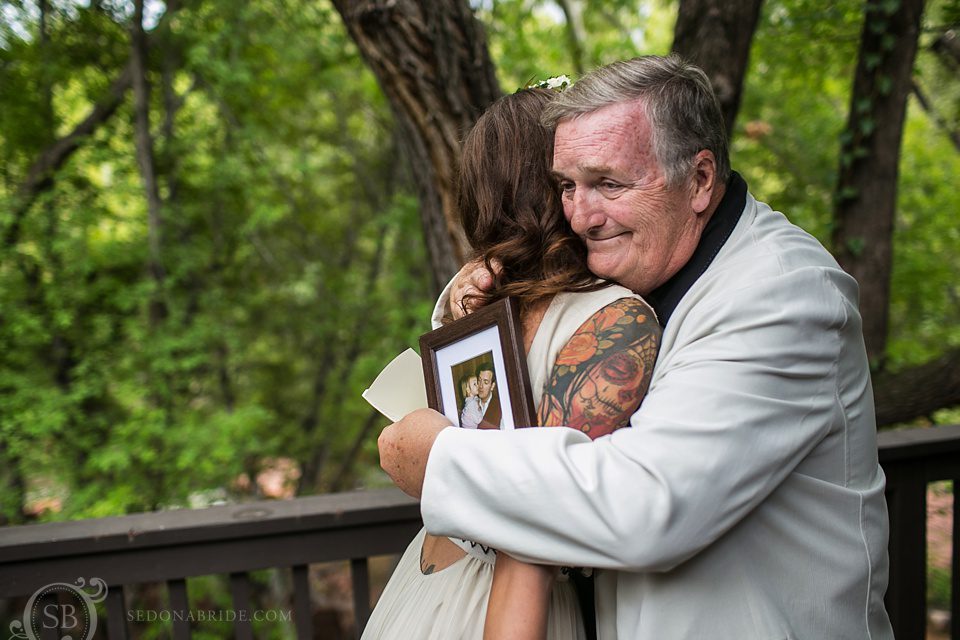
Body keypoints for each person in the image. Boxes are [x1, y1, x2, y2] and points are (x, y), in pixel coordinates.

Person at [378, 55, 895, 639]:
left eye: (608, 184)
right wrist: (490, 279)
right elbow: (548, 322)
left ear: (699, 180)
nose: (580, 216)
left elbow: (647, 506)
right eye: (566, 186)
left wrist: (441, 459)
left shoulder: (781, 293)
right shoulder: (648, 257)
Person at [361, 87, 660, 640]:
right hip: (495, 607)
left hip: (434, 585)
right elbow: (535, 520)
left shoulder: (472, 301)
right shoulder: (611, 318)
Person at [474, 363, 501, 429]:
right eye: (479, 380)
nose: (480, 386)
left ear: (492, 386)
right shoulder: (471, 403)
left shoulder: (500, 406)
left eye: (485, 382)